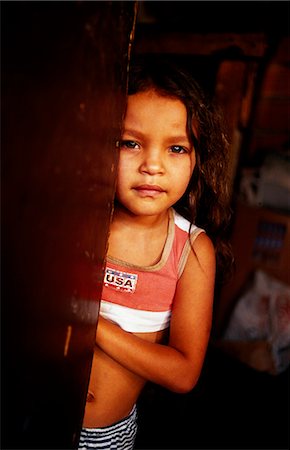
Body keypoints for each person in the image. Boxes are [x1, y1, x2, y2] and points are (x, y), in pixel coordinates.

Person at [78, 57, 232, 450]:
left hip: (105, 437)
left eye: (176, 148)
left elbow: (183, 373)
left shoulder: (191, 251)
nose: (152, 166)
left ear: (198, 160)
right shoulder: (75, 219)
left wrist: (94, 325)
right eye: (130, 143)